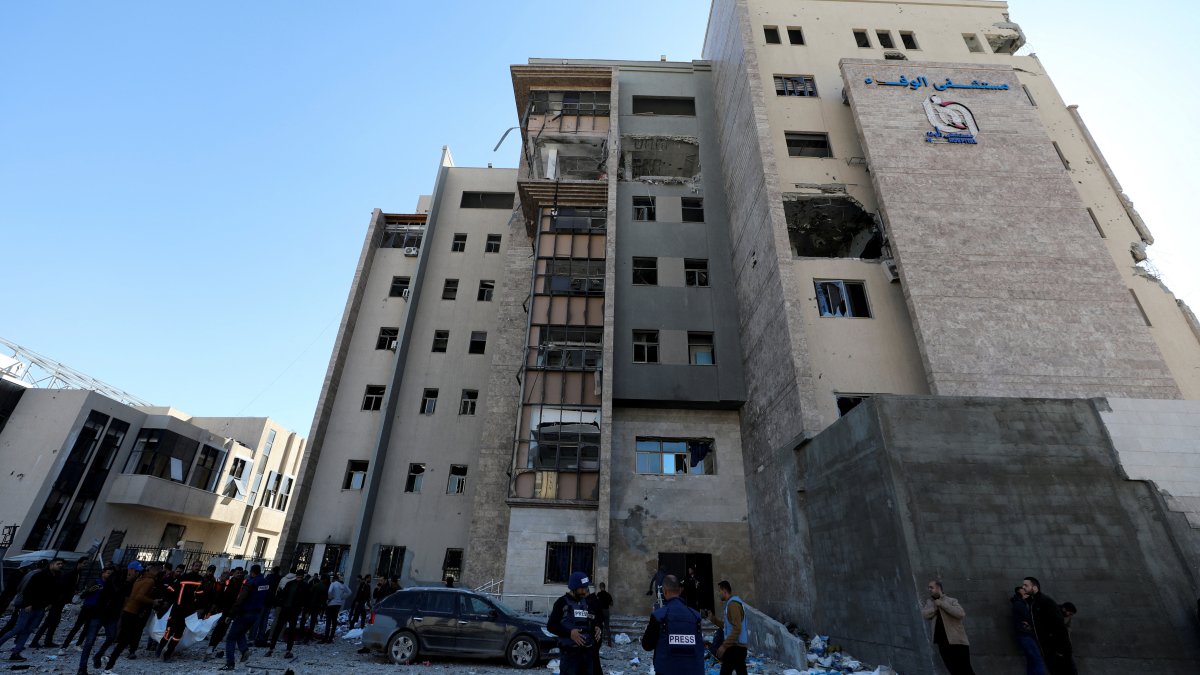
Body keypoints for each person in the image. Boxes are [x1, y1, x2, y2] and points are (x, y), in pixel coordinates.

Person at [0, 557, 61, 661]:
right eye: (58, 564)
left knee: (26, 630)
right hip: (28, 607)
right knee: (18, 628)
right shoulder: (36, 575)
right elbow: (25, 589)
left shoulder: (49, 576)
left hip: (37, 607)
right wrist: (26, 603)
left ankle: (16, 652)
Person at [641, 575, 704, 674]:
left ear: (665, 591)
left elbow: (646, 645)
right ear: (679, 591)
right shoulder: (695, 616)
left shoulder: (659, 616)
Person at [103, 561, 158, 672]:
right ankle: (109, 662)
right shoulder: (147, 581)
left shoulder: (139, 579)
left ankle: (109, 660)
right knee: (128, 635)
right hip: (135, 611)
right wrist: (154, 602)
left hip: (129, 610)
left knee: (124, 636)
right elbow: (139, 596)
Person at [547, 571, 600, 675]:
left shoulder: (587, 603)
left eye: (586, 588)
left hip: (587, 654)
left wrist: (597, 627)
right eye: (582, 588)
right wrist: (569, 633)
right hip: (570, 655)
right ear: (574, 588)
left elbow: (593, 619)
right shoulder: (561, 603)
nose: (585, 591)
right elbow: (551, 626)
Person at [1022, 577, 1076, 675]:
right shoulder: (1033, 605)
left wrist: (1061, 650)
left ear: (1034, 588)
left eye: (1026, 585)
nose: (1023, 587)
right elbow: (1041, 625)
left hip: (1057, 650)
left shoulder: (1045, 602)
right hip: (1047, 650)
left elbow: (1059, 627)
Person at [221, 564, 270, 671]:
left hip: (245, 612)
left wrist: (231, 614)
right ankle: (244, 650)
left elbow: (241, 599)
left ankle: (230, 663)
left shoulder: (251, 582)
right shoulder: (265, 582)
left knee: (231, 638)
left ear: (252, 572)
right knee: (240, 632)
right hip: (256, 613)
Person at [921, 580, 975, 675]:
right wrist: (935, 607)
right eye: (929, 587)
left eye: (931, 587)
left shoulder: (951, 600)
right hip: (942, 642)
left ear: (938, 588)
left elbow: (961, 614)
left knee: (965, 669)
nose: (929, 589)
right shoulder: (930, 602)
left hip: (957, 641)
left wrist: (942, 604)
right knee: (953, 670)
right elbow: (925, 614)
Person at [158, 559, 205, 661]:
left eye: (199, 566)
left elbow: (201, 595)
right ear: (192, 566)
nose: (197, 567)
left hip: (188, 611)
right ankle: (160, 648)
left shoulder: (200, 580)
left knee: (178, 634)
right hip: (177, 609)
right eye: (196, 565)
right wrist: (167, 600)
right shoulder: (183, 577)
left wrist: (199, 608)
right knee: (169, 631)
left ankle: (168, 654)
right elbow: (172, 590)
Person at [76, 565, 119, 675]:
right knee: (89, 641)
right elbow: (84, 595)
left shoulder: (115, 586)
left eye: (111, 574)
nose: (109, 575)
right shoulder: (97, 583)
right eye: (108, 573)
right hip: (95, 613)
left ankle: (98, 655)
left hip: (109, 616)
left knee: (111, 637)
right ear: (103, 573)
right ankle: (82, 667)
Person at [35, 557, 85, 648]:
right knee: (51, 621)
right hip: (57, 601)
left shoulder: (71, 573)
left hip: (60, 601)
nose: (61, 566)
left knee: (52, 622)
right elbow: (61, 588)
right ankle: (40, 641)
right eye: (59, 564)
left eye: (62, 564)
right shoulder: (68, 574)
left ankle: (45, 641)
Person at [704, 580, 749, 675]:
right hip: (737, 647)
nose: (718, 593)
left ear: (724, 590)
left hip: (735, 647)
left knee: (725, 671)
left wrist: (724, 645)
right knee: (740, 671)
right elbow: (727, 626)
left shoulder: (733, 605)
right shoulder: (730, 604)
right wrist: (713, 619)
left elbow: (737, 628)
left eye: (719, 591)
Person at [265, 569, 304, 659]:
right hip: (289, 610)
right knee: (284, 629)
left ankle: (282, 650)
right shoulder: (295, 584)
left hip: (289, 609)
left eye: (300, 577)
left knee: (287, 630)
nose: (299, 578)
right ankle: (275, 649)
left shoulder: (291, 583)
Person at [1011, 585, 1046, 675]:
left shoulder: (1023, 604)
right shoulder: (1019, 604)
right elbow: (1029, 618)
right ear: (1020, 592)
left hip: (1026, 634)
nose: (1026, 590)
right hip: (1025, 635)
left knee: (1032, 660)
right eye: (1023, 589)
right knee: (1037, 659)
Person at [324, 573, 350, 642]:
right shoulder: (343, 585)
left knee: (328, 621)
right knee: (334, 620)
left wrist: (329, 599)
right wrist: (342, 598)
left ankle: (326, 637)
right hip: (338, 604)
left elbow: (329, 591)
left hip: (331, 604)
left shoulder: (333, 584)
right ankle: (331, 637)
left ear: (334, 579)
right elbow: (349, 592)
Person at [594, 582, 614, 647]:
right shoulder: (608, 595)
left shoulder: (599, 594)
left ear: (600, 587)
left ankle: (599, 641)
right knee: (607, 626)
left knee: (600, 626)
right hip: (606, 611)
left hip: (600, 611)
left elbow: (596, 603)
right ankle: (609, 642)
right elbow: (611, 604)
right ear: (604, 587)